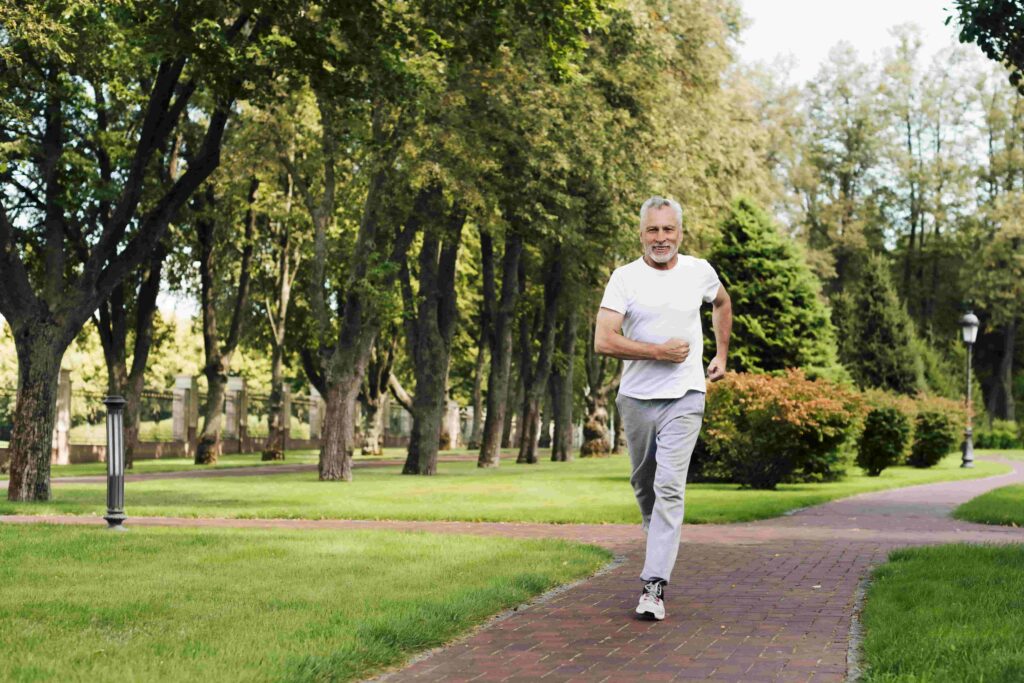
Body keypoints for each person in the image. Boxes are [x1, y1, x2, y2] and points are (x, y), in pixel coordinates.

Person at [594, 195, 732, 621]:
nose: (661, 237)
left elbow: (722, 303)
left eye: (668, 229)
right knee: (645, 486)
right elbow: (603, 340)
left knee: (670, 487)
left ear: (680, 232)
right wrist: (656, 352)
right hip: (636, 398)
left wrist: (721, 355)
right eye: (653, 230)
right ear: (641, 234)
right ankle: (658, 537)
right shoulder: (625, 278)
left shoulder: (699, 271)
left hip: (686, 394)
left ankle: (654, 585)